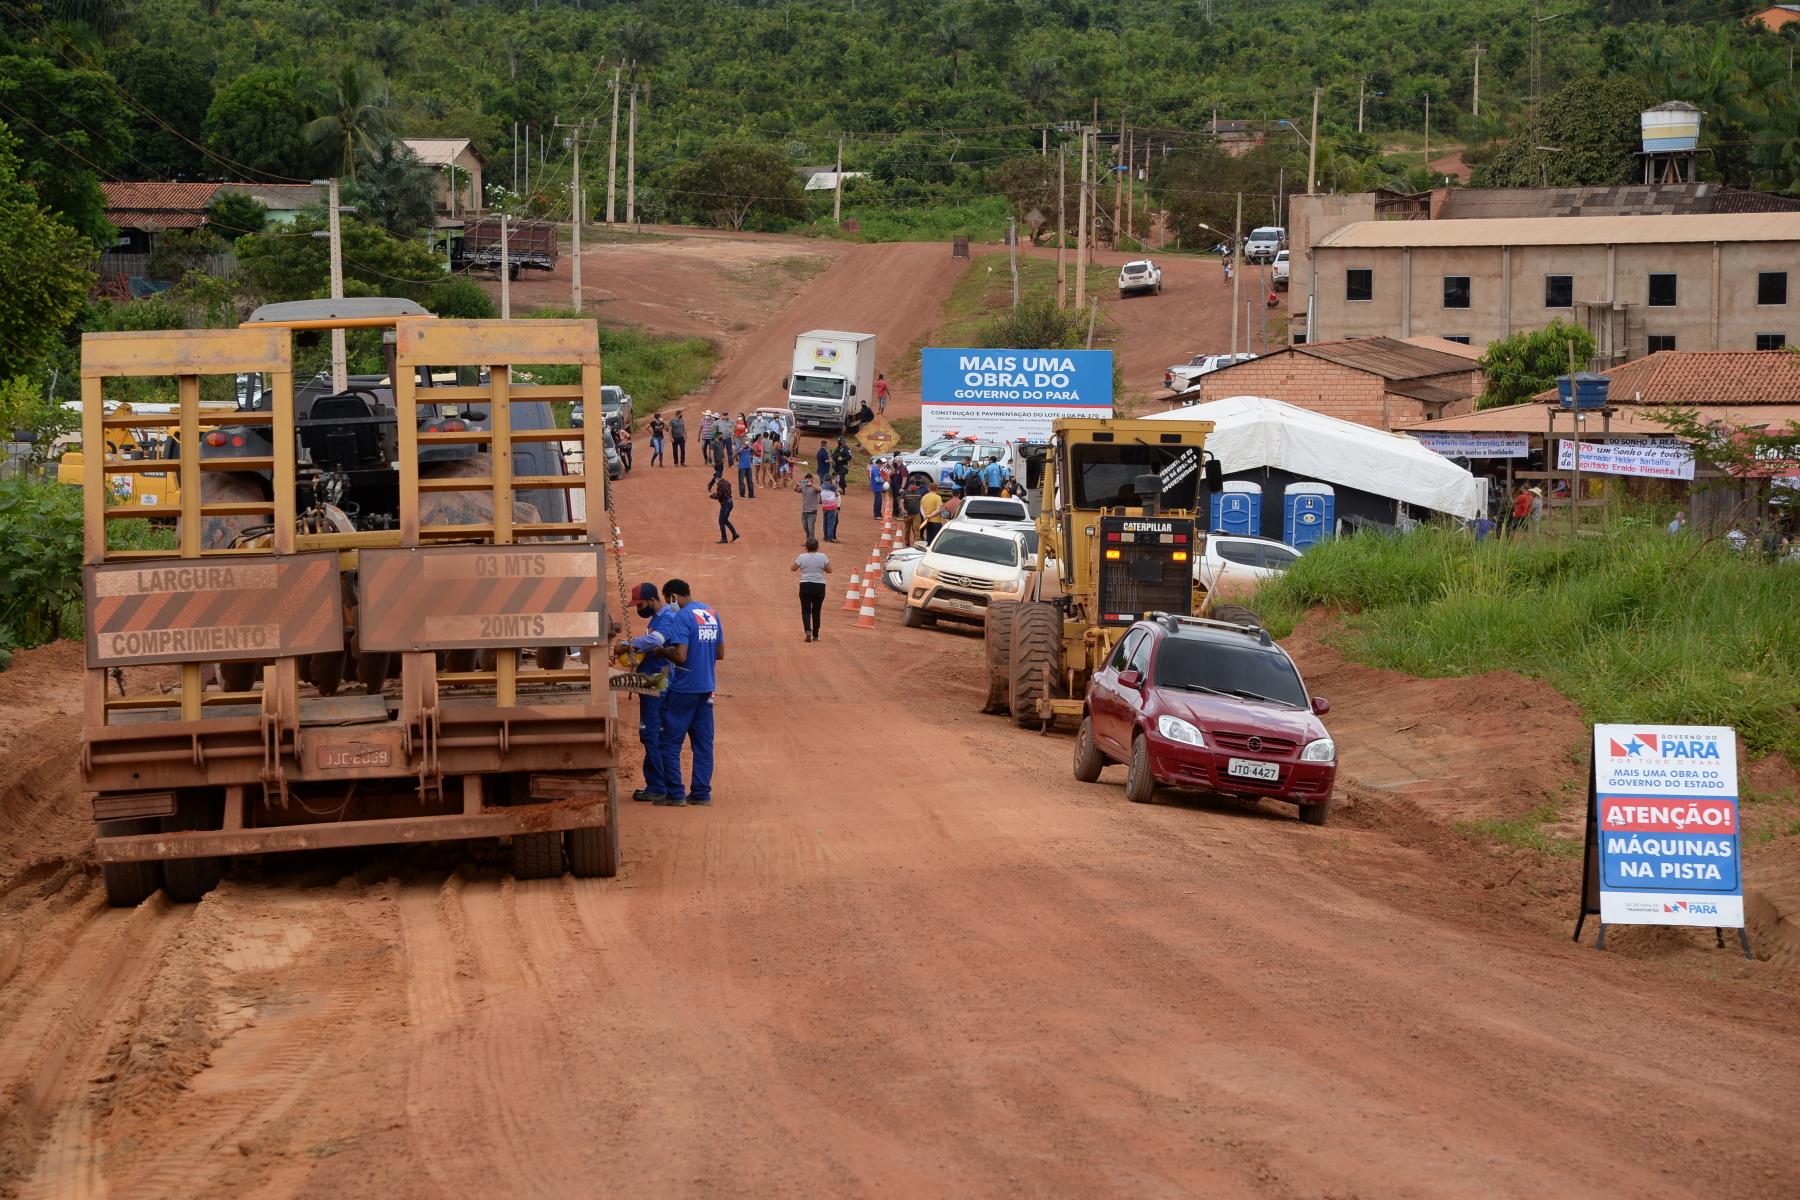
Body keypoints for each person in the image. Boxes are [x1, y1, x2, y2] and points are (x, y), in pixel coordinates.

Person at [656, 579, 722, 807]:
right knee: (703, 744)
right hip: (706, 687)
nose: (669, 605)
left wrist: (662, 651)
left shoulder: (682, 617)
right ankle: (701, 793)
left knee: (669, 742)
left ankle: (675, 794)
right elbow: (720, 652)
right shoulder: (711, 613)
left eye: (668, 600)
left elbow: (681, 656)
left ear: (674, 596)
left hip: (683, 688)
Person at [615, 582, 683, 802]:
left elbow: (656, 641)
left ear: (652, 600)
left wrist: (628, 643)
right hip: (650, 683)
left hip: (658, 683)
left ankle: (658, 785)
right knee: (650, 734)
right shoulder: (656, 619)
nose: (638, 609)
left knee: (651, 734)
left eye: (640, 604)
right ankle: (654, 782)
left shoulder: (667, 618)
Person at [791, 537, 831, 642]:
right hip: (819, 586)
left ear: (806, 547)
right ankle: (816, 635)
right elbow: (829, 570)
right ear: (817, 547)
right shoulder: (822, 556)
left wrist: (803, 567)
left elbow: (793, 568)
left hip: (805, 585)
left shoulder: (802, 557)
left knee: (806, 610)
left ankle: (807, 630)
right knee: (816, 611)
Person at [710, 472, 740, 542]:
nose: (715, 480)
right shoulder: (727, 482)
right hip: (730, 503)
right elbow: (728, 493)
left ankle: (724, 538)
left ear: (717, 477)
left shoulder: (720, 485)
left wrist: (712, 496)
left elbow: (718, 496)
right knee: (725, 520)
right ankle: (734, 534)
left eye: (715, 478)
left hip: (725, 504)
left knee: (721, 521)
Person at [799, 473, 821, 541]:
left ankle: (811, 541)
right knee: (805, 526)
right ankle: (810, 539)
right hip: (804, 511)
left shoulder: (814, 487)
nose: (807, 480)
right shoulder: (804, 487)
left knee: (811, 528)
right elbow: (796, 490)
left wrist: (812, 485)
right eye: (806, 479)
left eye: (809, 478)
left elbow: (820, 490)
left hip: (812, 512)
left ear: (811, 479)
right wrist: (797, 485)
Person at [820, 477, 841, 542]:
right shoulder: (831, 486)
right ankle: (830, 537)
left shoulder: (822, 486)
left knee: (825, 522)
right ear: (830, 480)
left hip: (825, 507)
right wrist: (836, 485)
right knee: (831, 523)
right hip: (832, 507)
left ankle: (826, 537)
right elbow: (840, 491)